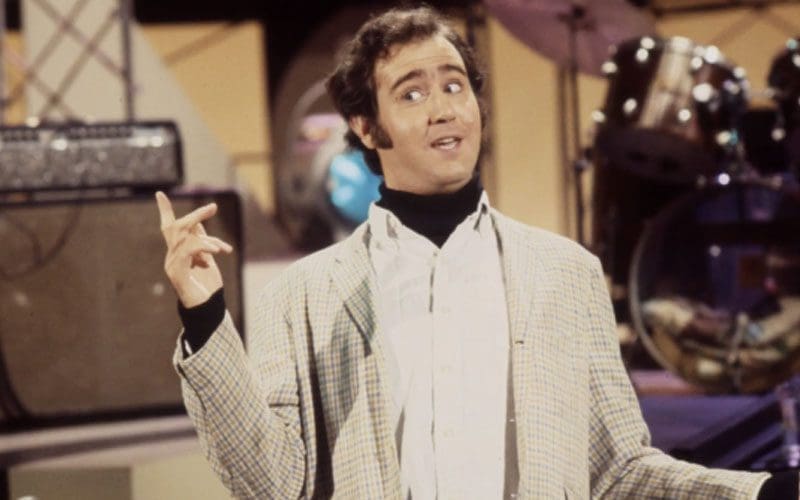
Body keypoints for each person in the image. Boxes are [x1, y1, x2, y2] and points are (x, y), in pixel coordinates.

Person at [156, 6, 798, 499]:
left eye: (454, 86)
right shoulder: (304, 295)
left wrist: (761, 492)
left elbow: (618, 470)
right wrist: (205, 317)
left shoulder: (565, 274)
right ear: (366, 128)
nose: (443, 109)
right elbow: (269, 483)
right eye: (411, 93)